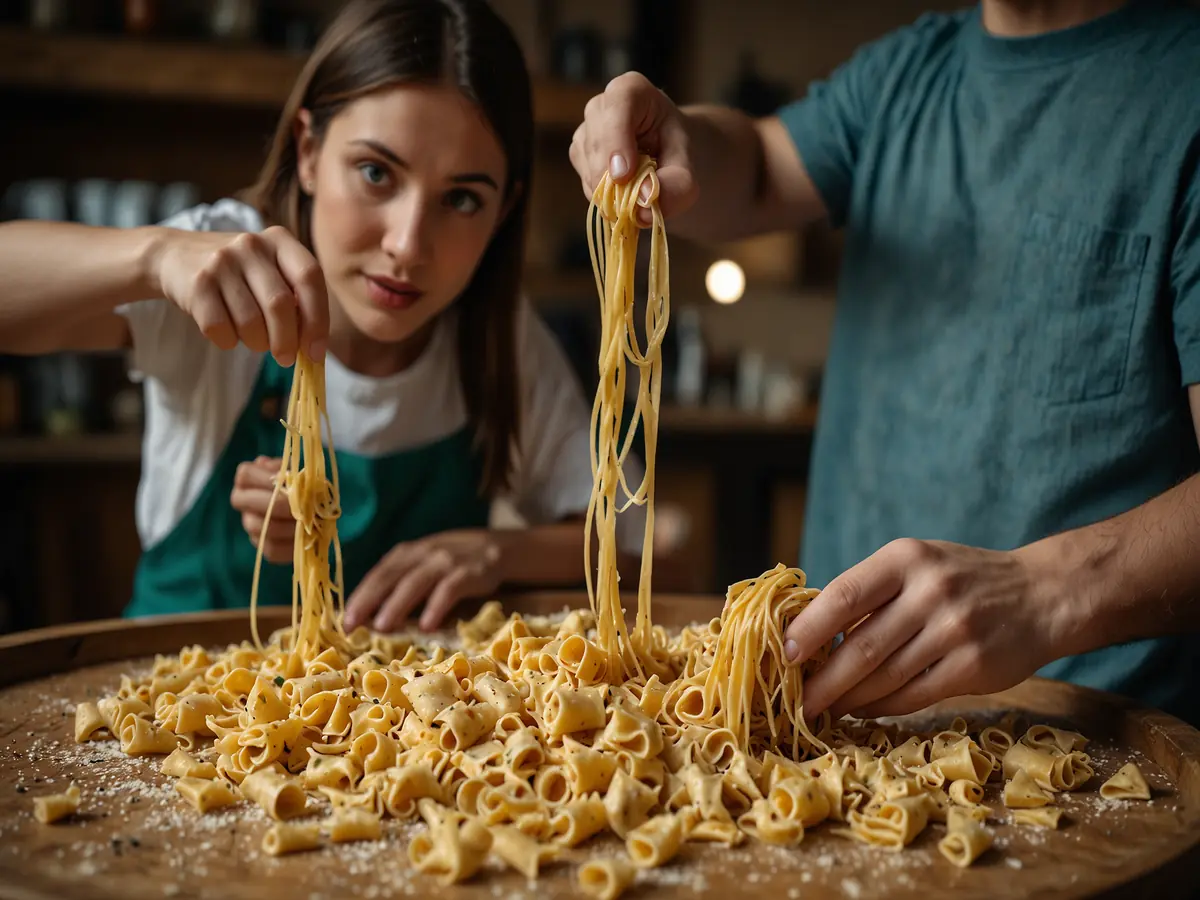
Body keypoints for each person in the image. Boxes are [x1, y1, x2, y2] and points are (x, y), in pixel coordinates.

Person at [571, 0, 1200, 724]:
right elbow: (755, 170)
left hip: (1089, 742)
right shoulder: (904, 73)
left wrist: (1044, 590)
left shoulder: (1182, 91)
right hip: (832, 725)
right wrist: (674, 137)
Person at [0, 0, 636, 632]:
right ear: (308, 151)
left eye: (462, 198)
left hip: (397, 725)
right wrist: (152, 256)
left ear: (503, 212)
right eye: (374, 172)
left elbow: (634, 548)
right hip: (172, 708)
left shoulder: (496, 337)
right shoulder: (219, 262)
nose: (408, 245)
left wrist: (497, 552)